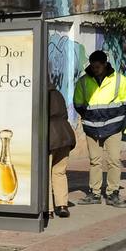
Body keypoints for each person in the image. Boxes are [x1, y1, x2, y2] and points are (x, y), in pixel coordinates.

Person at [71, 49, 126, 206]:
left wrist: (113, 118)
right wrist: (91, 117)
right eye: (92, 66)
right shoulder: (83, 81)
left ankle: (113, 193)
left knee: (114, 160)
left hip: (113, 128)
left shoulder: (119, 80)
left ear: (105, 64)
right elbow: (78, 104)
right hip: (91, 128)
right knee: (95, 161)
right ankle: (95, 193)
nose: (95, 69)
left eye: (98, 67)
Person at [48, 84, 76, 218]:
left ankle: (48, 209)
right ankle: (62, 205)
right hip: (65, 134)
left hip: (50, 136)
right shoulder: (58, 93)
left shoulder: (38, 93)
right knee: (59, 172)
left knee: (44, 174)